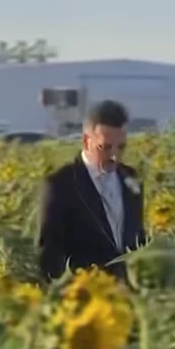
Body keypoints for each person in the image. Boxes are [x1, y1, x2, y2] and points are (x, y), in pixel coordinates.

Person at [36, 99, 146, 283]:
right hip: (85, 292)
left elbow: (136, 236)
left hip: (126, 292)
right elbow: (49, 252)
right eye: (105, 147)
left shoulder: (131, 178)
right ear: (87, 141)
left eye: (121, 147)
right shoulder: (60, 184)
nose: (114, 156)